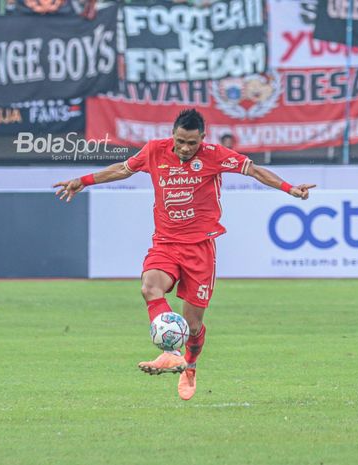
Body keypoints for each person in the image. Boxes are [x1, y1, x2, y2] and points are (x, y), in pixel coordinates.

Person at [53, 109, 315, 400]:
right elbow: (122, 169)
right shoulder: (154, 151)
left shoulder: (215, 155)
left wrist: (290, 188)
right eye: (180, 141)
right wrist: (83, 180)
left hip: (200, 248)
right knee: (149, 287)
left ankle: (189, 367)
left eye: (192, 143)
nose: (186, 148)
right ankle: (170, 352)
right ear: (173, 136)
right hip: (165, 243)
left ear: (202, 138)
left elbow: (254, 170)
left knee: (193, 325)